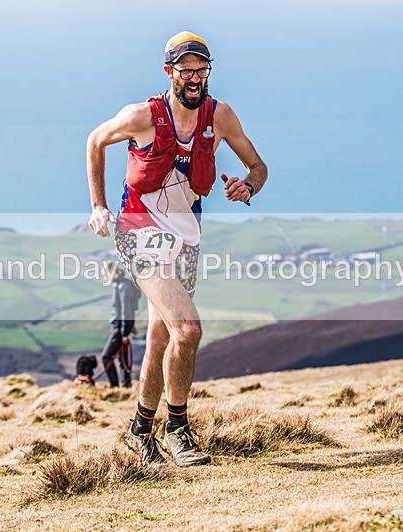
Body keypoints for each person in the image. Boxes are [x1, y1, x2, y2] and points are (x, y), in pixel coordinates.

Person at [86, 31, 268, 467]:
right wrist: (99, 206)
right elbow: (95, 140)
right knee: (188, 330)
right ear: (169, 71)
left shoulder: (219, 116)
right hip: (138, 232)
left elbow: (258, 166)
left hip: (186, 238)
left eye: (200, 69)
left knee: (162, 336)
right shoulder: (142, 116)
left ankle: (140, 432)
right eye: (185, 70)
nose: (193, 78)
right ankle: (179, 430)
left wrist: (248, 187)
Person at [99, 261, 140, 388]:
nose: (105, 277)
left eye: (106, 274)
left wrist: (124, 332)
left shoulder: (123, 287)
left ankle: (115, 386)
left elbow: (125, 311)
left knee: (106, 357)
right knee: (122, 358)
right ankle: (125, 386)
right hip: (121, 327)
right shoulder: (122, 285)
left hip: (119, 328)